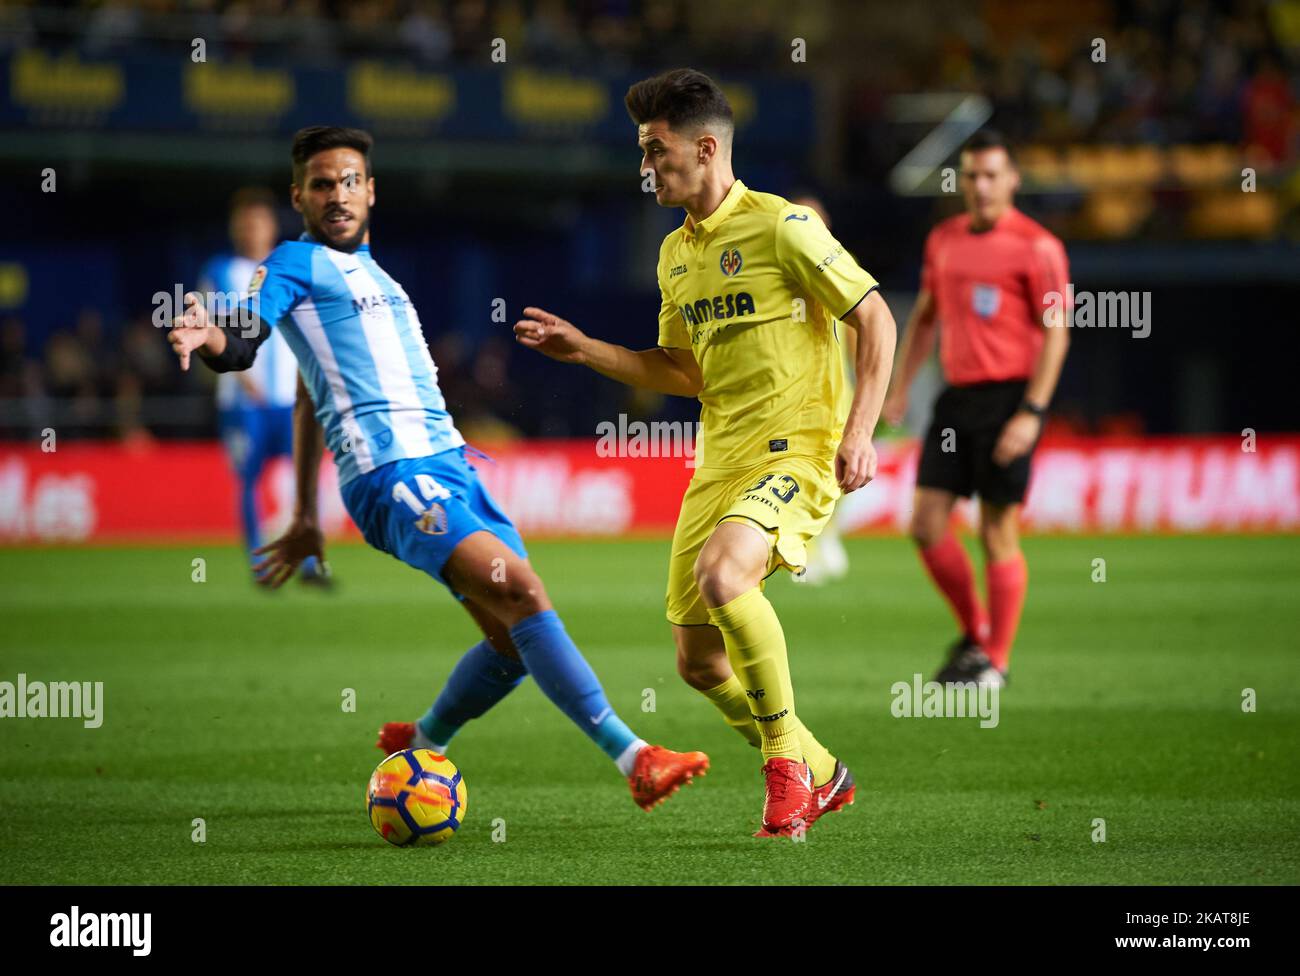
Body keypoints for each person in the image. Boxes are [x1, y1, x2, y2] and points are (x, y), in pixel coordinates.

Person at [167, 126, 708, 811]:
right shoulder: (293, 264)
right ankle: (635, 757)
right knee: (525, 594)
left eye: (350, 181)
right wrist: (209, 336)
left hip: (449, 466)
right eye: (323, 184)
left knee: (512, 643)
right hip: (393, 475)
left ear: (371, 190)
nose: (338, 196)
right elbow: (243, 340)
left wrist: (305, 514)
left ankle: (421, 740)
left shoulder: (378, 276)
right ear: (298, 196)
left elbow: (309, 394)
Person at [513, 70, 896, 836]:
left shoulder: (785, 226)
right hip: (720, 459)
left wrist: (860, 432)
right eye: (644, 151)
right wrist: (587, 350)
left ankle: (785, 767)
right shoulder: (675, 256)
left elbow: (875, 319)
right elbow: (681, 371)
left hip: (798, 448)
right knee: (697, 662)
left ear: (707, 146)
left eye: (656, 150)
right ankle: (823, 770)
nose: (646, 166)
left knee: (723, 576)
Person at [882, 129, 1071, 687]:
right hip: (956, 400)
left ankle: (998, 661)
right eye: (972, 176)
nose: (981, 186)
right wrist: (900, 387)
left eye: (992, 175)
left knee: (996, 532)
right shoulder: (943, 240)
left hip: (1010, 398)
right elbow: (924, 317)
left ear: (1012, 179)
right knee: (925, 523)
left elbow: (1056, 332)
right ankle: (978, 631)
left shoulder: (1039, 247)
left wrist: (1032, 412)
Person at [197, 188, 327, 583]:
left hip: (290, 400)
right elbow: (208, 331)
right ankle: (260, 562)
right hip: (243, 402)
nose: (252, 229)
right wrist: (239, 375)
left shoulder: (288, 266)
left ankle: (307, 561)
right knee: (249, 479)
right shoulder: (220, 272)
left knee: (303, 479)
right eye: (245, 223)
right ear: (236, 229)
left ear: (271, 226)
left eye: (259, 221)